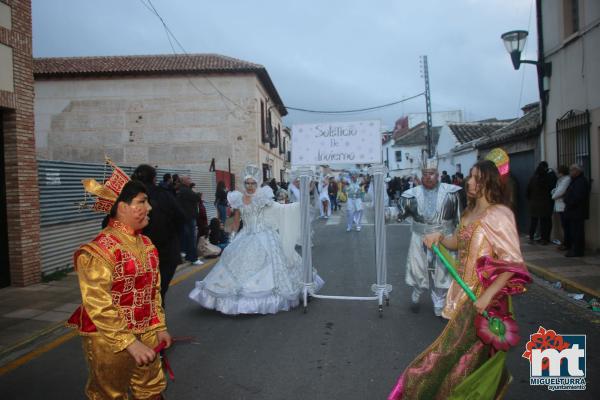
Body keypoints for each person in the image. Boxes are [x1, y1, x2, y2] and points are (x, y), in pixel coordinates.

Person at [388, 156, 531, 400]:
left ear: (489, 182)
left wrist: (487, 296)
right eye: (470, 176)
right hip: (462, 293)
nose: (469, 181)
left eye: (476, 177)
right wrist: (439, 237)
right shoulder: (469, 212)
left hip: (483, 297)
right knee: (462, 356)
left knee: (452, 355)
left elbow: (513, 263)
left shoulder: (500, 214)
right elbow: (457, 242)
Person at [68, 162, 171, 399]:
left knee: (152, 388)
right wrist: (129, 343)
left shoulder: (146, 245)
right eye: (142, 202)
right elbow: (98, 305)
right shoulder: (97, 252)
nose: (150, 207)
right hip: (108, 338)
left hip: (145, 331)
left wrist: (159, 327)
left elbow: (152, 292)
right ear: (122, 207)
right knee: (109, 394)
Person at [189, 164, 324, 315]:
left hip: (265, 236)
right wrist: (228, 235)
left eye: (253, 183)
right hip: (245, 236)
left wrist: (300, 203)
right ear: (244, 183)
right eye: (248, 183)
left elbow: (280, 209)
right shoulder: (238, 199)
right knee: (233, 263)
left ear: (258, 183)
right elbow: (235, 223)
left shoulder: (262, 197)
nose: (250, 186)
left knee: (276, 265)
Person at [397, 159, 462, 316]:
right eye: (425, 174)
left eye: (431, 174)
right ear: (421, 175)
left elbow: (459, 219)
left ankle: (439, 303)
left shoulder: (452, 193)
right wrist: (386, 213)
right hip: (420, 237)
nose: (428, 177)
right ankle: (417, 294)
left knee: (443, 271)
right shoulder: (410, 195)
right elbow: (399, 215)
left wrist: (459, 238)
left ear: (438, 175)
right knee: (418, 269)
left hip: (444, 237)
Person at [132, 164, 185, 304]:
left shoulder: (126, 197)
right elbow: (181, 217)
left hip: (137, 254)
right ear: (154, 179)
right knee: (158, 293)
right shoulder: (164, 195)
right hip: (165, 252)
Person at [562, 164, 590, 257]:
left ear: (577, 171)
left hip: (577, 211)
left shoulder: (580, 182)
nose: (570, 172)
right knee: (574, 232)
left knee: (577, 232)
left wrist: (568, 201)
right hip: (573, 211)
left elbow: (577, 197)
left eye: (572, 170)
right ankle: (574, 249)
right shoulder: (575, 181)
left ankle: (577, 251)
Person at [526, 161, 555, 245]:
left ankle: (531, 237)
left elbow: (527, 191)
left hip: (534, 204)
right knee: (544, 222)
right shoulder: (548, 178)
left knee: (533, 221)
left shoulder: (533, 178)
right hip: (545, 204)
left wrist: (531, 200)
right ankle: (544, 239)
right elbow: (551, 190)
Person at [177, 176, 203, 265]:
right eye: (188, 178)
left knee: (187, 237)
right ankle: (193, 258)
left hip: (186, 217)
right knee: (192, 238)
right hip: (189, 217)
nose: (190, 179)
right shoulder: (186, 190)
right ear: (183, 181)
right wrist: (198, 194)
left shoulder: (182, 190)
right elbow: (197, 198)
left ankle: (188, 255)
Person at [551, 165, 571, 248]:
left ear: (562, 172)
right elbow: (555, 190)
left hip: (563, 206)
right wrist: (554, 193)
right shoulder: (560, 180)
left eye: (558, 172)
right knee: (564, 225)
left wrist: (553, 195)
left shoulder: (566, 180)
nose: (557, 173)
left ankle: (567, 243)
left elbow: (560, 191)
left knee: (566, 226)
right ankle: (565, 242)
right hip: (559, 205)